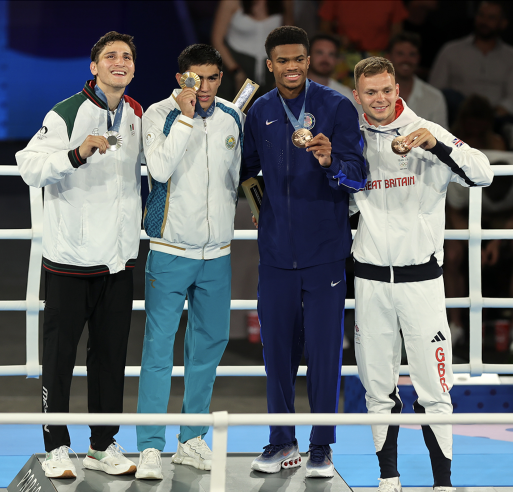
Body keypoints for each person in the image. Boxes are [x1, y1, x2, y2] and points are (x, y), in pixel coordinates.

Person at [350, 56, 492, 492]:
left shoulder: (426, 130)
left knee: (434, 389)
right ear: (357, 95)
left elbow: (483, 174)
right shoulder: (349, 139)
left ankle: (443, 485)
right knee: (377, 388)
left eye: (386, 90)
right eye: (370, 92)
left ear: (398, 89)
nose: (379, 99)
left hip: (422, 282)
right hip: (370, 280)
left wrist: (437, 146)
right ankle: (387, 480)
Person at [241, 26, 367, 479]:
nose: (292, 67)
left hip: (325, 253)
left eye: (299, 59)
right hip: (275, 253)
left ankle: (321, 447)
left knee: (325, 352)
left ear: (308, 60)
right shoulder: (259, 112)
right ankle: (281, 441)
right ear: (269, 64)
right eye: (283, 61)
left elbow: (360, 174)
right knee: (276, 352)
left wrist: (333, 161)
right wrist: (260, 210)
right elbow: (247, 174)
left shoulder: (335, 107)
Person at [16, 31, 142, 479]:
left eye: (126, 56)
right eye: (110, 56)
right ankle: (56, 448)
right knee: (59, 358)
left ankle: (103, 445)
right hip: (70, 261)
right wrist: (77, 153)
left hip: (119, 261)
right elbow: (29, 165)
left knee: (110, 359)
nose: (119, 62)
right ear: (94, 67)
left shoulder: (136, 113)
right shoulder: (67, 111)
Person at [135, 44, 243, 480]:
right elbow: (159, 169)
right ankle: (148, 446)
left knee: (207, 350)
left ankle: (192, 439)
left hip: (217, 254)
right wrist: (182, 115)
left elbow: (237, 179)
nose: (204, 87)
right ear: (182, 78)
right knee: (158, 351)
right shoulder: (157, 114)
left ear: (220, 79)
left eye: (213, 78)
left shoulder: (234, 117)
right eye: (196, 79)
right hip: (169, 250)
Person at [445, 150, 513, 362]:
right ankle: (455, 325)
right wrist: (473, 244)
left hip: (509, 217)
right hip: (467, 213)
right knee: (451, 255)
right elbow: (454, 211)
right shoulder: (461, 172)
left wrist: (497, 240)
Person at [429, 1, 513, 120]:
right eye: (481, 15)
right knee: (450, 96)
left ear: (503, 23)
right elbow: (435, 90)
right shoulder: (450, 50)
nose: (484, 21)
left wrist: (489, 117)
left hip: (495, 118)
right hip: (458, 117)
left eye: (491, 18)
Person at [212, 0, 293, 100]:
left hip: (271, 68)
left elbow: (290, 37)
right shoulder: (231, 2)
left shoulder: (284, 2)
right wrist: (236, 72)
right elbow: (217, 40)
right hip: (236, 65)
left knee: (268, 112)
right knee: (236, 109)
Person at [386, 31, 448, 129]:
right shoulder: (369, 95)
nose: (406, 59)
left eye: (412, 54)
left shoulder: (435, 97)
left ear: (418, 58)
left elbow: (441, 141)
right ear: (388, 58)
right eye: (400, 54)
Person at [307, 33, 361, 115]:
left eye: (331, 54)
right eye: (319, 53)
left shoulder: (346, 96)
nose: (325, 59)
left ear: (337, 60)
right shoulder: (288, 92)